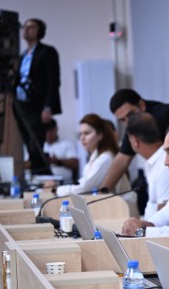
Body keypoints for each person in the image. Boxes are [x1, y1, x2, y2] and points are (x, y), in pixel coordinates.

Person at [14, 18, 61, 176]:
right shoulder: (22, 55)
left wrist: (48, 107)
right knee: (28, 144)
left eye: (31, 27)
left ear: (39, 31)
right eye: (25, 27)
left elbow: (53, 81)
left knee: (36, 144)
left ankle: (43, 175)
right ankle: (39, 174)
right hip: (22, 105)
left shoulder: (47, 52)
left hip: (38, 105)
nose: (26, 30)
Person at [52, 114, 130, 197]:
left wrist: (56, 189)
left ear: (100, 135)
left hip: (121, 204)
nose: (82, 138)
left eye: (86, 133)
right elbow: (82, 183)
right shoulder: (95, 156)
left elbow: (85, 188)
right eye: (80, 134)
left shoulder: (105, 158)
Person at [126, 112, 169, 220]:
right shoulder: (155, 160)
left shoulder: (165, 165)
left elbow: (164, 213)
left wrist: (142, 227)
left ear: (134, 140)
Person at [41, 118, 79, 184]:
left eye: (50, 130)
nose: (48, 134)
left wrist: (58, 161)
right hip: (41, 183)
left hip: (63, 184)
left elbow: (75, 163)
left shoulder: (66, 144)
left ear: (56, 129)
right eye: (45, 131)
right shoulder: (38, 145)